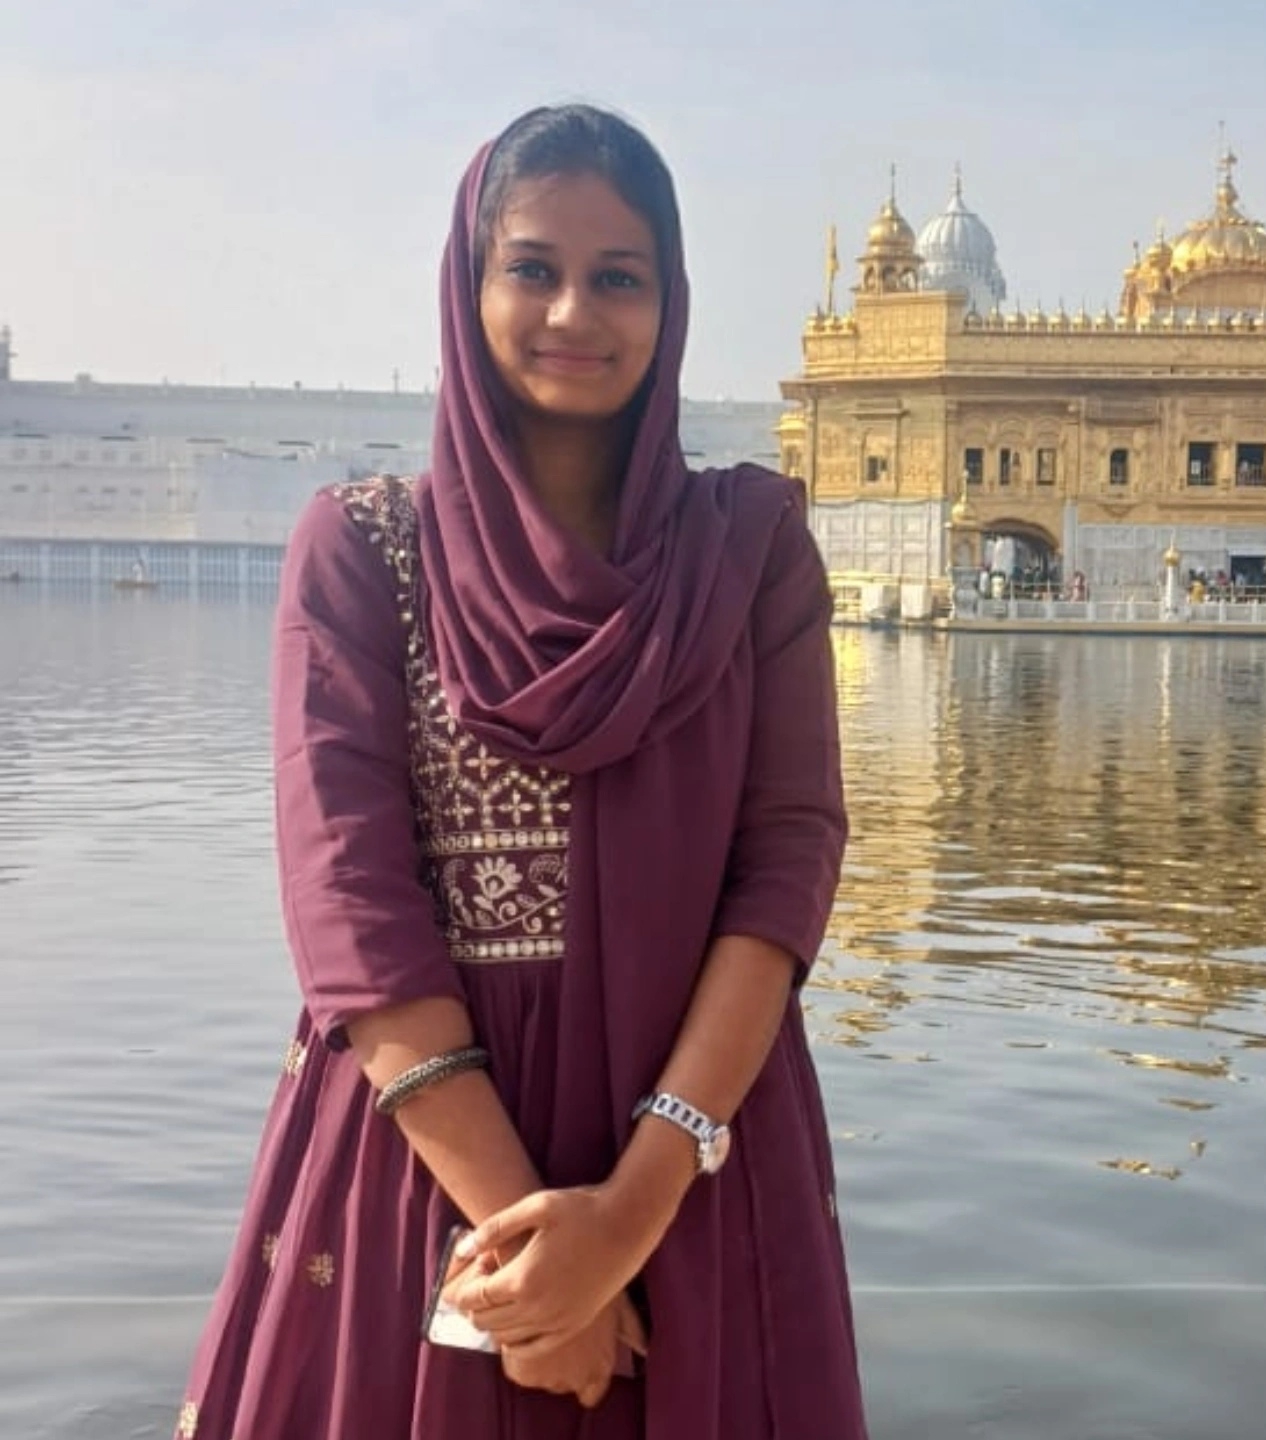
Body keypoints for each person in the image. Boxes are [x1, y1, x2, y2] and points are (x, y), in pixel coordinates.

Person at [174, 105, 867, 1440]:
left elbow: (786, 869)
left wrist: (631, 1215)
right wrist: (537, 1261)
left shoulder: (748, 550)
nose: (572, 313)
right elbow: (351, 907)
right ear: (468, 283)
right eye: (533, 268)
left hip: (693, 1141)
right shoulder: (362, 550)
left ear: (670, 301)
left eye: (620, 277)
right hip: (432, 1155)